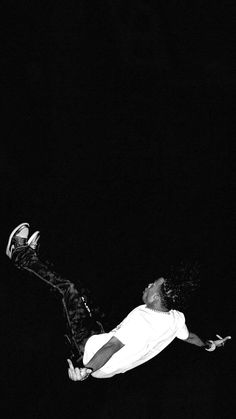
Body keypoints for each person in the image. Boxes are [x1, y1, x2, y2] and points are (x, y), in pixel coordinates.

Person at [6, 222, 231, 382]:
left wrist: (85, 369)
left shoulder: (141, 319)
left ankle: (21, 255)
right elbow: (190, 337)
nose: (147, 285)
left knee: (68, 290)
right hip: (103, 346)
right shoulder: (176, 318)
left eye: (151, 285)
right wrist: (209, 345)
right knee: (84, 294)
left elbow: (111, 347)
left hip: (88, 350)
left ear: (154, 296)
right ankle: (32, 260)